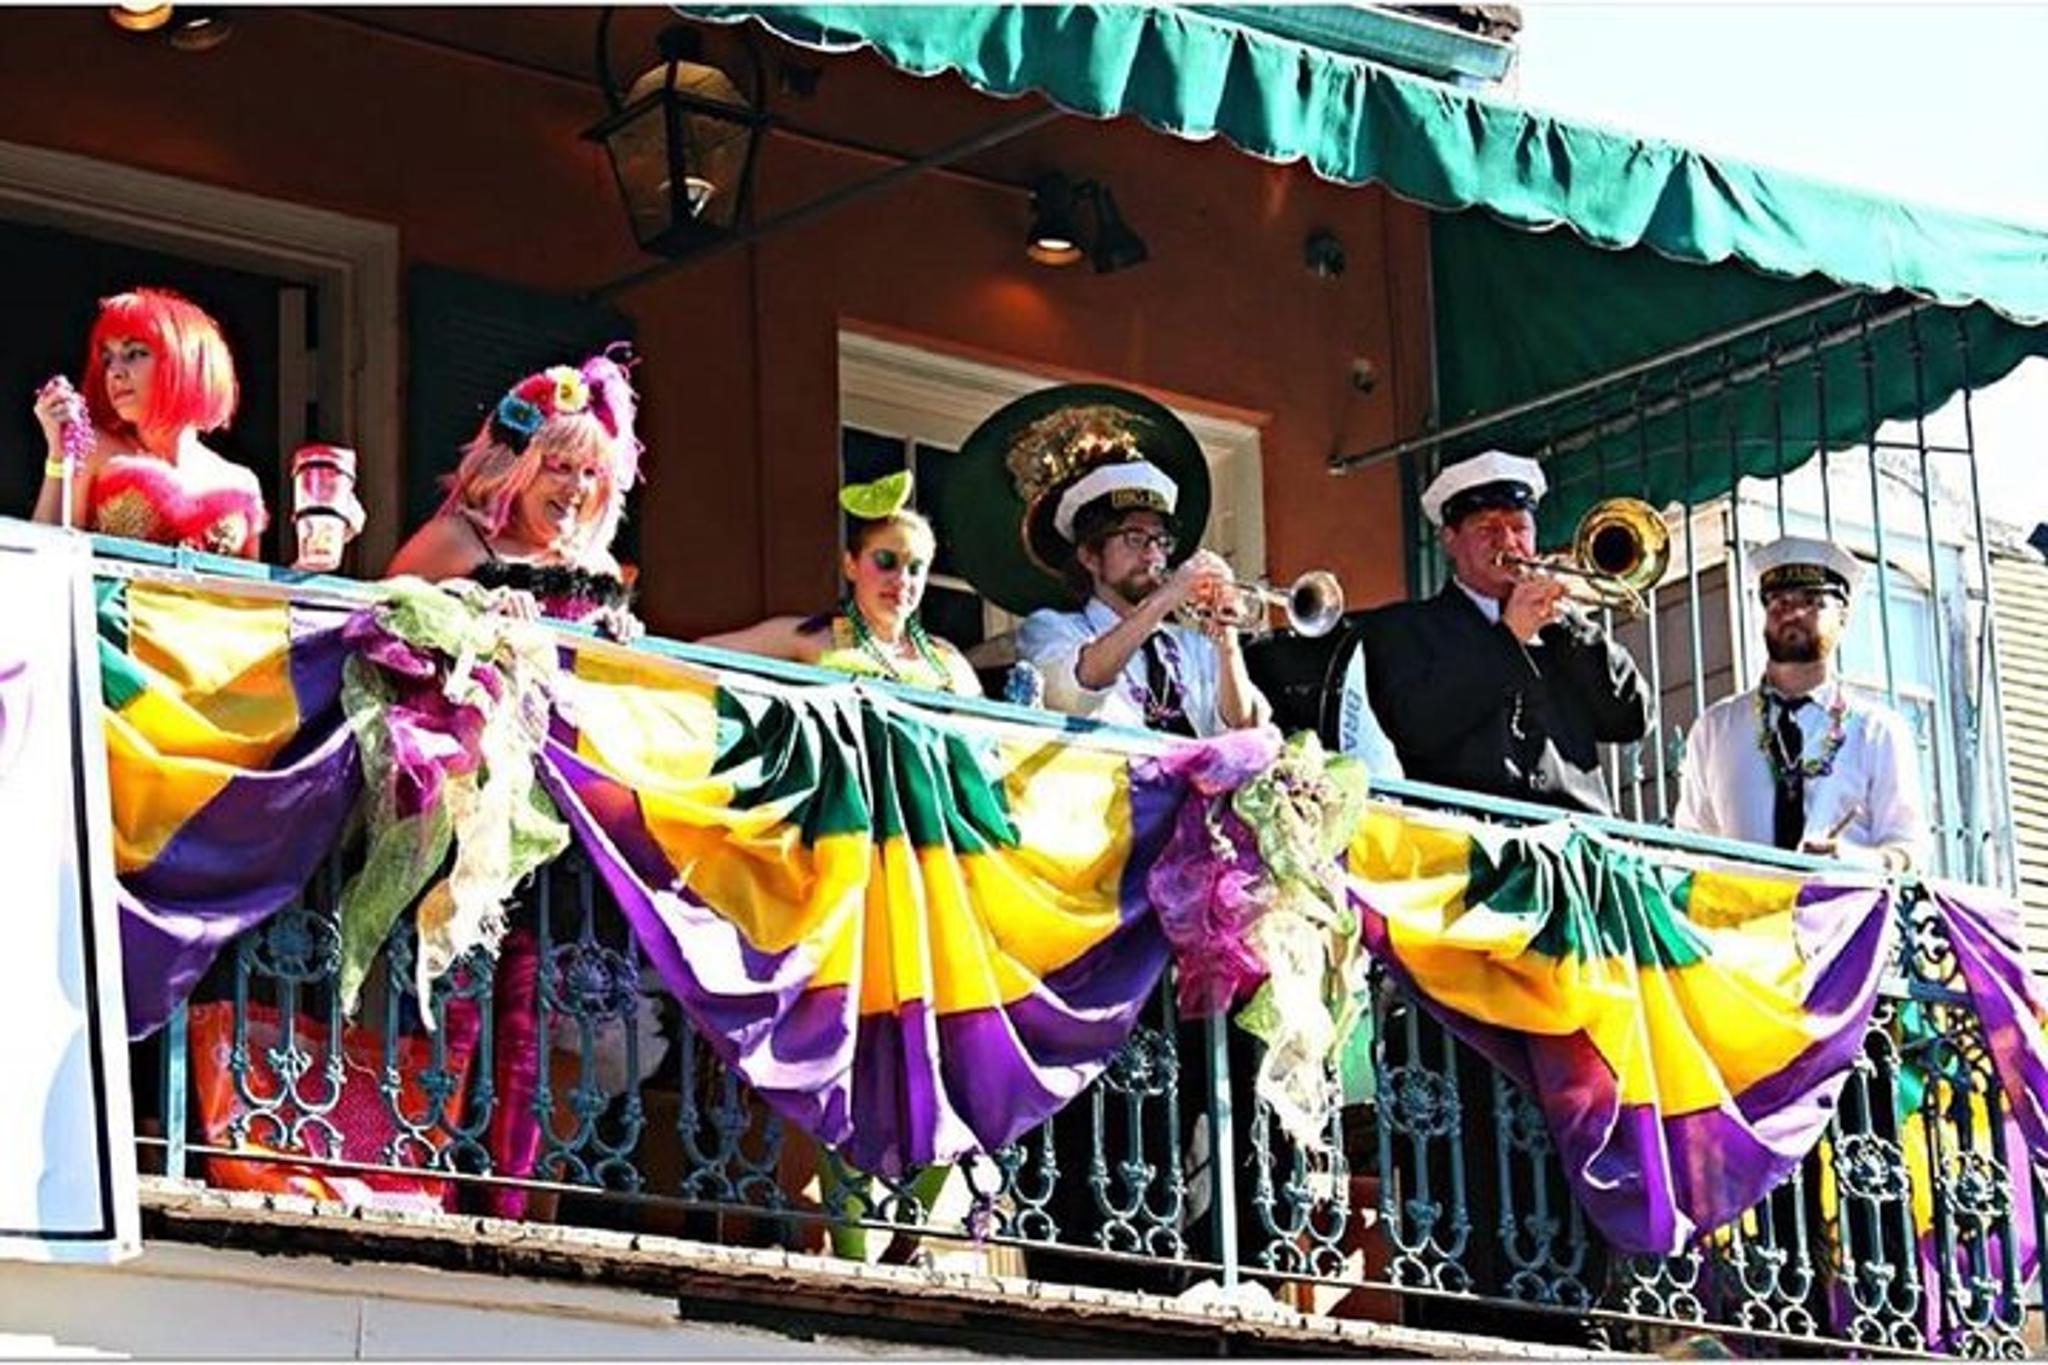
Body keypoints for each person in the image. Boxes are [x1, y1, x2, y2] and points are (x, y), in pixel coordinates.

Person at [1358, 449, 1652, 815]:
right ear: (1449, 539)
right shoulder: (1403, 629)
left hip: (1580, 844)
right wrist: (1508, 638)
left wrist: (1571, 626)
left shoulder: (1564, 629)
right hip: (1473, 848)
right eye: (1487, 529)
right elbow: (1416, 726)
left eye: (1519, 528)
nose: (1508, 542)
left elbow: (1630, 719)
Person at [1673, 535, 1928, 870]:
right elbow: (1691, 848)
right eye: (1778, 601)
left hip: (1841, 915)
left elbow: (1909, 848)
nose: (1792, 612)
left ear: (1843, 615)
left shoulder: (1877, 729)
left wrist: (1852, 860)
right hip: (1737, 916)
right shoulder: (1716, 727)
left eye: (1812, 601)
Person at [385, 350, 643, 642]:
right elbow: (375, 622)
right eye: (561, 467)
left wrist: (622, 636)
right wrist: (466, 605)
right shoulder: (454, 540)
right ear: (516, 469)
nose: (578, 487)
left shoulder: (600, 566)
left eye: (591, 473)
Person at [31, 286, 266, 557]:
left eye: (134, 353)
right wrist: (59, 454)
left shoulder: (242, 481)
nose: (114, 372)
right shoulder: (93, 448)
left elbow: (253, 591)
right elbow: (44, 557)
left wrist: (307, 572)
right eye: (107, 359)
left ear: (187, 360)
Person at [698, 473, 981, 696]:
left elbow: (994, 738)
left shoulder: (945, 659)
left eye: (915, 568)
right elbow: (698, 657)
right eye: (885, 560)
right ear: (851, 565)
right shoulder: (812, 637)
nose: (902, 579)